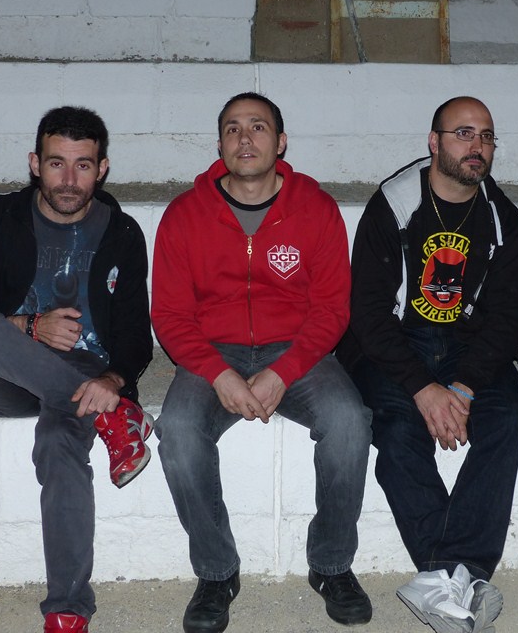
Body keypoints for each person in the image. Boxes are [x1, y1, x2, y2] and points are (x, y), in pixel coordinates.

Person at [151, 92, 374, 633]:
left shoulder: (316, 208)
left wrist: (283, 372)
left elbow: (331, 309)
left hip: (295, 348)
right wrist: (218, 373)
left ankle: (331, 565)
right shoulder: (184, 215)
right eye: (233, 128)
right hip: (213, 350)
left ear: (281, 141)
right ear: (220, 144)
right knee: (177, 429)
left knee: (349, 421)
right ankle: (216, 573)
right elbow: (170, 315)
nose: (245, 138)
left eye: (258, 126)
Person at [0, 106, 154, 633]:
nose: (68, 179)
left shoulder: (122, 233)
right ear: (35, 163)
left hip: (86, 379)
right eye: (56, 164)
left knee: (57, 443)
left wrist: (112, 381)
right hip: (6, 373)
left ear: (102, 168)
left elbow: (135, 339)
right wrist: (29, 327)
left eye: (83, 165)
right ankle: (114, 418)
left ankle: (67, 610)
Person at [338, 96, 518, 633]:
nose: (477, 146)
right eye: (463, 133)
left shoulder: (504, 220)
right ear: (434, 142)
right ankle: (460, 578)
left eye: (486, 136)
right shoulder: (394, 205)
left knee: (506, 420)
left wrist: (465, 386)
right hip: (396, 344)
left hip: (469, 347)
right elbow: (368, 315)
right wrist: (423, 388)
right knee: (399, 430)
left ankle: (447, 576)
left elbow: (506, 320)